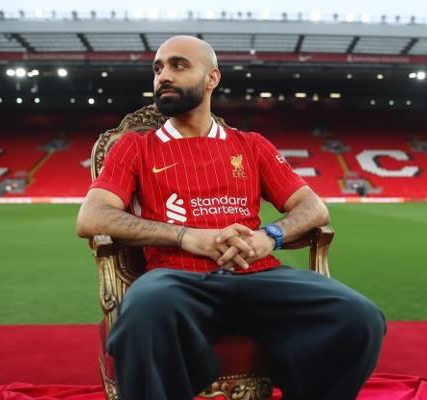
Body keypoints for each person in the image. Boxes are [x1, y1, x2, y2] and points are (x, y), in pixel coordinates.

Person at [76, 35, 385, 400]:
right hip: (176, 280)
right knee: (143, 312)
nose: (163, 76)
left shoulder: (250, 144)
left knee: (360, 317)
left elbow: (313, 207)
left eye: (179, 65)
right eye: (158, 69)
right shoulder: (135, 146)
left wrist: (269, 236)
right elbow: (91, 216)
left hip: (258, 275)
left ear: (212, 78)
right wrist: (186, 236)